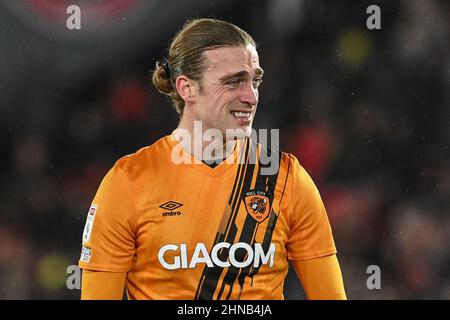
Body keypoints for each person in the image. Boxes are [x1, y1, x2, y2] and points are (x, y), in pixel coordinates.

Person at [79, 18, 346, 300]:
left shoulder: (286, 178)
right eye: (233, 82)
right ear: (187, 88)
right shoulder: (129, 182)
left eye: (255, 80)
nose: (251, 97)